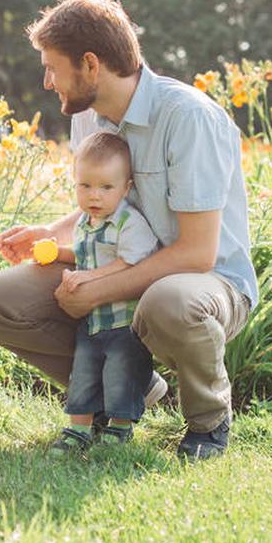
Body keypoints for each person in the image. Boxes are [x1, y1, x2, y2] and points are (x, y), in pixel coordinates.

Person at [0, 0, 258, 461]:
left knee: (169, 300)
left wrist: (99, 290)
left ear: (90, 64)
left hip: (206, 284)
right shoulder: (87, 118)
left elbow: (196, 253)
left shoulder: (188, 118)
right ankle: (124, 389)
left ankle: (208, 421)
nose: (46, 81)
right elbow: (104, 209)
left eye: (52, 68)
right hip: (119, 269)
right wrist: (51, 232)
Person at [47, 131, 159, 455]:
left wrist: (88, 278)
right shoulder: (86, 221)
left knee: (120, 372)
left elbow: (129, 263)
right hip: (93, 320)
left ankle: (120, 429)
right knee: (82, 371)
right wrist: (58, 253)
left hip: (123, 320)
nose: (94, 195)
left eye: (106, 187)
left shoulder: (129, 222)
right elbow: (84, 254)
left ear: (126, 188)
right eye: (85, 186)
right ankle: (78, 428)